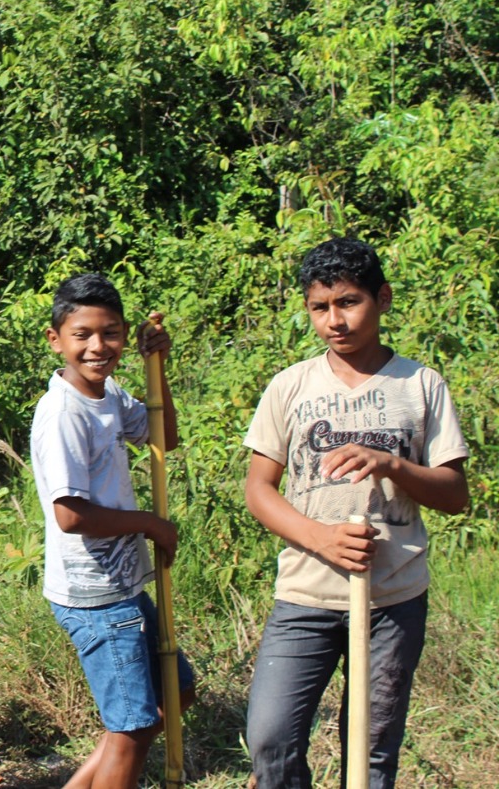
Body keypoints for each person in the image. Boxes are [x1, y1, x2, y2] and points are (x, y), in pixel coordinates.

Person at [243, 237, 469, 789]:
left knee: (367, 753)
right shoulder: (292, 386)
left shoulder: (420, 385)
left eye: (348, 302)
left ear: (382, 299)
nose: (334, 321)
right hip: (305, 595)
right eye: (320, 308)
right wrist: (319, 538)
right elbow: (259, 489)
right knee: (271, 739)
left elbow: (453, 493)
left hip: (392, 598)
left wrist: (392, 464)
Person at [30, 273, 194, 789]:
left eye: (111, 333)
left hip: (121, 587)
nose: (98, 346)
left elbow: (163, 433)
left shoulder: (109, 394)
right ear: (56, 339)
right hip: (95, 598)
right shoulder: (63, 413)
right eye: (82, 335)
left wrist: (157, 366)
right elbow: (70, 515)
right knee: (133, 726)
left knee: (176, 692)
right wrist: (149, 523)